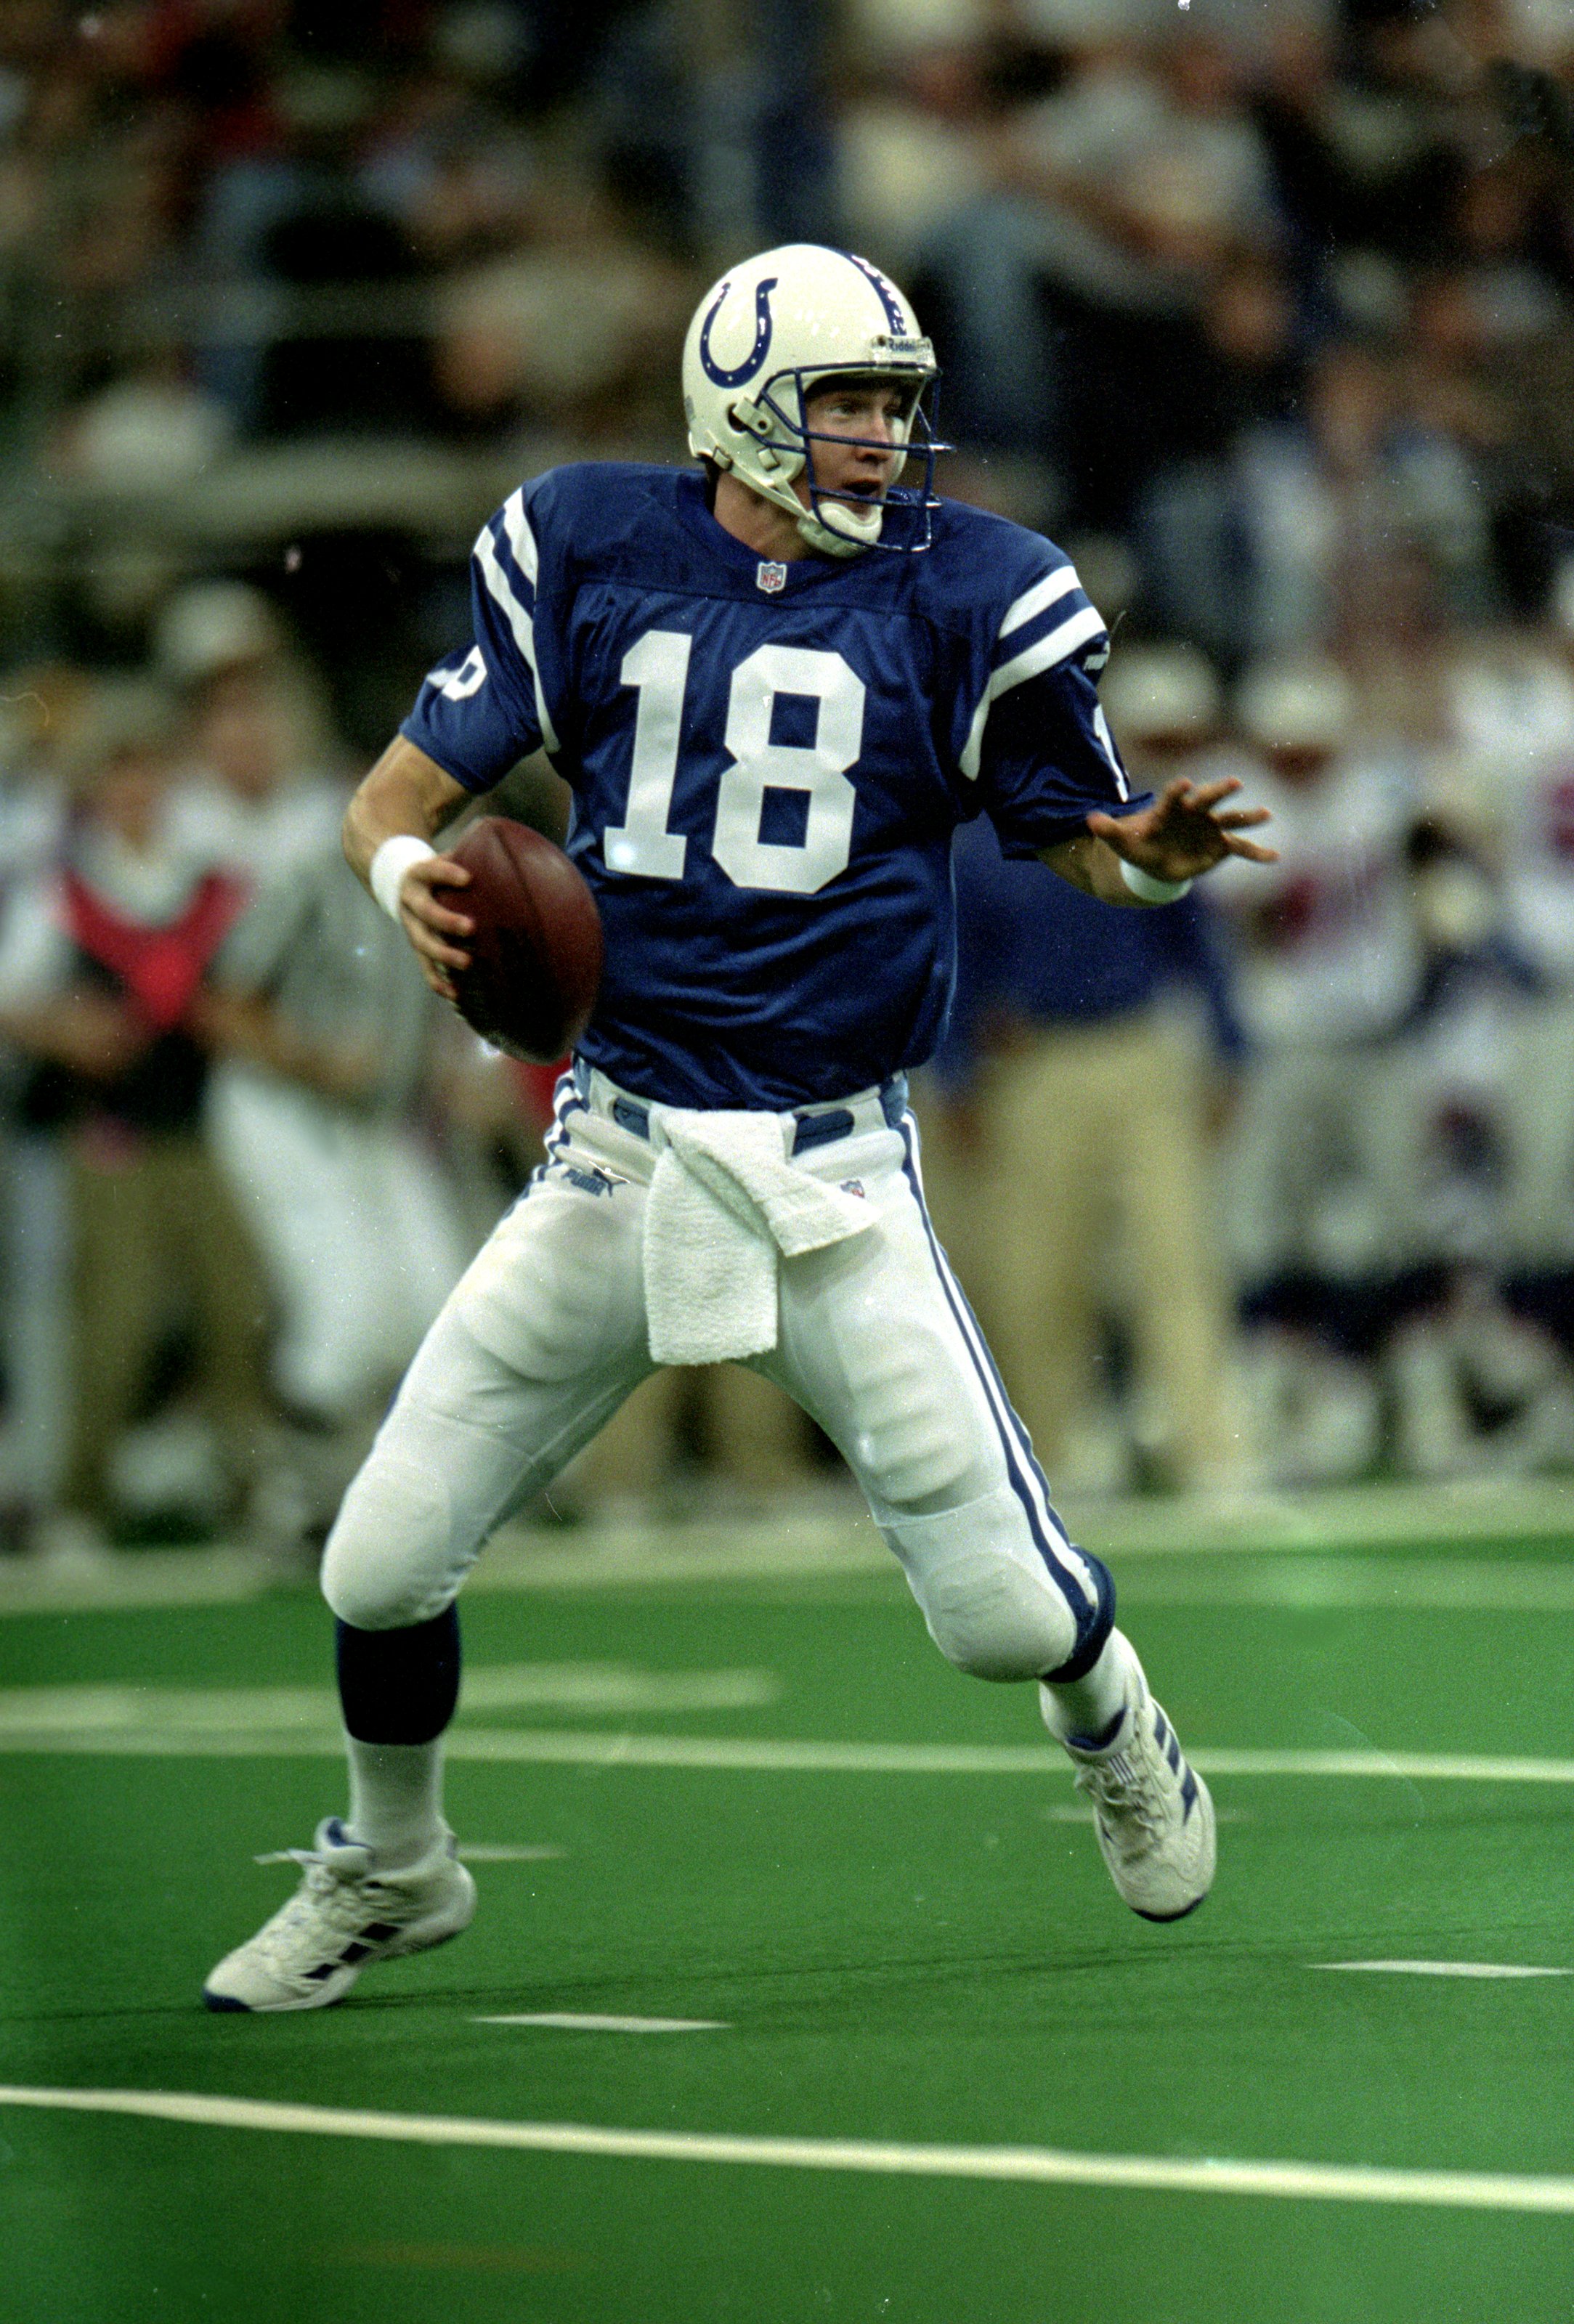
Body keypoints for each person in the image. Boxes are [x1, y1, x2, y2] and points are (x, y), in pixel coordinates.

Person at [203, 243, 1274, 2013]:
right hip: (620, 1150)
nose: (874, 437)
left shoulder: (971, 587)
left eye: (890, 405)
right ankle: (396, 1866)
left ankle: (1113, 1717)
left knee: (1001, 1620)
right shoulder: (591, 546)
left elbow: (1072, 828)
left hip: (837, 1175)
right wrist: (407, 879)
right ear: (736, 407)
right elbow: (393, 802)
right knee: (378, 1562)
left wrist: (1140, 863)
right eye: (841, 402)